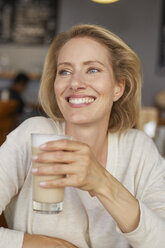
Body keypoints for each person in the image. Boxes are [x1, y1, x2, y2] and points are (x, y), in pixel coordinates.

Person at [0, 24, 165, 248]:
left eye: (93, 70)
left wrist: (103, 183)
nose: (75, 83)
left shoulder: (138, 149)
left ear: (118, 87)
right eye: (65, 71)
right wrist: (33, 243)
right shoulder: (33, 136)